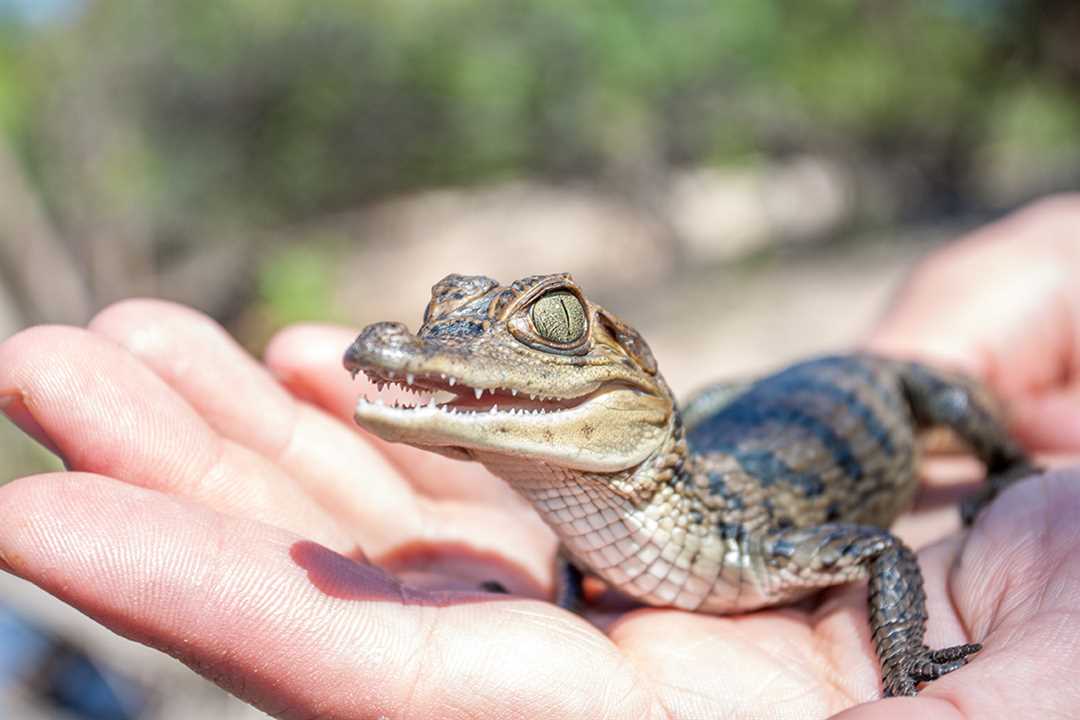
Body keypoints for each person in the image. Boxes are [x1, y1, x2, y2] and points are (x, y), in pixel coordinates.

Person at [1, 196, 1079, 719]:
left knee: (934, 386)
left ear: (630, 388)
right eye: (459, 316)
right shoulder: (608, 499)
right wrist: (579, 580)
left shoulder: (753, 544)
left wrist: (909, 667)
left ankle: (998, 454)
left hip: (851, 399)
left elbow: (885, 553)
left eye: (551, 326)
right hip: (720, 421)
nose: (415, 347)